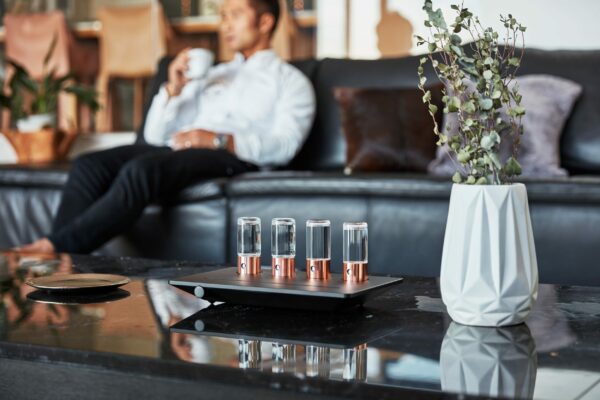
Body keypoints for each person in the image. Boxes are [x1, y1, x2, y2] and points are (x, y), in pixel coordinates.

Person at [18, 0, 315, 254]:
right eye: (223, 15)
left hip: (234, 157)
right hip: (182, 153)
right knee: (87, 165)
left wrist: (218, 140)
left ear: (264, 21)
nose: (226, 25)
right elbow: (155, 137)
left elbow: (285, 145)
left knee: (142, 170)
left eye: (235, 14)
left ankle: (55, 250)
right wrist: (172, 90)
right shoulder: (214, 74)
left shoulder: (291, 81)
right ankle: (64, 264)